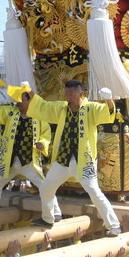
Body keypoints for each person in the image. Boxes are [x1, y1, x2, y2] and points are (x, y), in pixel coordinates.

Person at [26, 80, 121, 235]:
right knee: (46, 187)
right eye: (66, 94)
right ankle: (49, 217)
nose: (68, 97)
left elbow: (108, 113)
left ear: (80, 94)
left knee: (95, 193)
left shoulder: (90, 108)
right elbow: (43, 106)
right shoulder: (62, 108)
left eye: (71, 94)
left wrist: (109, 99)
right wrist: (30, 92)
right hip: (63, 159)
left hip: (84, 161)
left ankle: (114, 225)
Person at [0, 85, 60, 218]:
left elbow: (46, 135)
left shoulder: (39, 117)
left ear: (29, 101)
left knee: (44, 186)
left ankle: (56, 212)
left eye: (21, 100)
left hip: (29, 162)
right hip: (8, 161)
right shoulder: (10, 113)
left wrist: (42, 143)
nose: (17, 102)